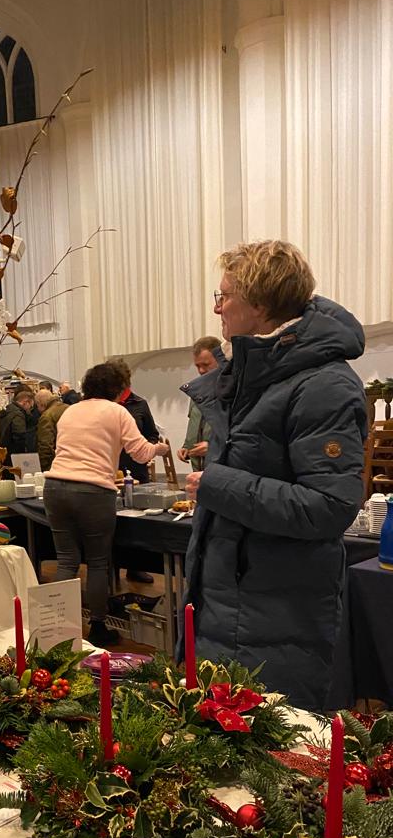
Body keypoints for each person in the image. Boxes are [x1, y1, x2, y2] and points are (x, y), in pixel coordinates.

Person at [182, 240, 367, 711]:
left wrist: (216, 485)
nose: (217, 308)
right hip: (232, 607)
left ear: (259, 306)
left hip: (275, 620)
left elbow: (329, 506)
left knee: (271, 749)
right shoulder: (250, 376)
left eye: (225, 296)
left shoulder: (323, 385)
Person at [45, 363, 169, 648]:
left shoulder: (69, 411)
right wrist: (160, 449)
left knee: (67, 561)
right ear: (118, 388)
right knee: (98, 562)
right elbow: (141, 453)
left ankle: (57, 630)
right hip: (92, 491)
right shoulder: (117, 412)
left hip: (54, 487)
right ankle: (98, 627)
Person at [108, 358, 160, 484]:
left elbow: (152, 435)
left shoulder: (140, 404)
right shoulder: (104, 405)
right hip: (108, 470)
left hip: (136, 470)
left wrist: (148, 452)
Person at [177, 336, 221, 471]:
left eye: (206, 365)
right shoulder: (196, 391)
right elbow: (195, 423)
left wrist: (213, 447)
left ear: (221, 359)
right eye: (197, 366)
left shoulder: (232, 391)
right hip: (198, 470)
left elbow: (239, 436)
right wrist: (186, 446)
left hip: (220, 469)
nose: (201, 370)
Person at [0, 385, 36, 459]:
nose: (30, 409)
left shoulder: (6, 410)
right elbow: (20, 437)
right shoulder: (18, 415)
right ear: (25, 402)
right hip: (15, 455)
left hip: (4, 453)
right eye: (30, 406)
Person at [36, 388, 67, 471]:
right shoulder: (68, 408)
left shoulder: (46, 417)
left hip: (57, 463)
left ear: (41, 404)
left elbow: (45, 445)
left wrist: (44, 467)